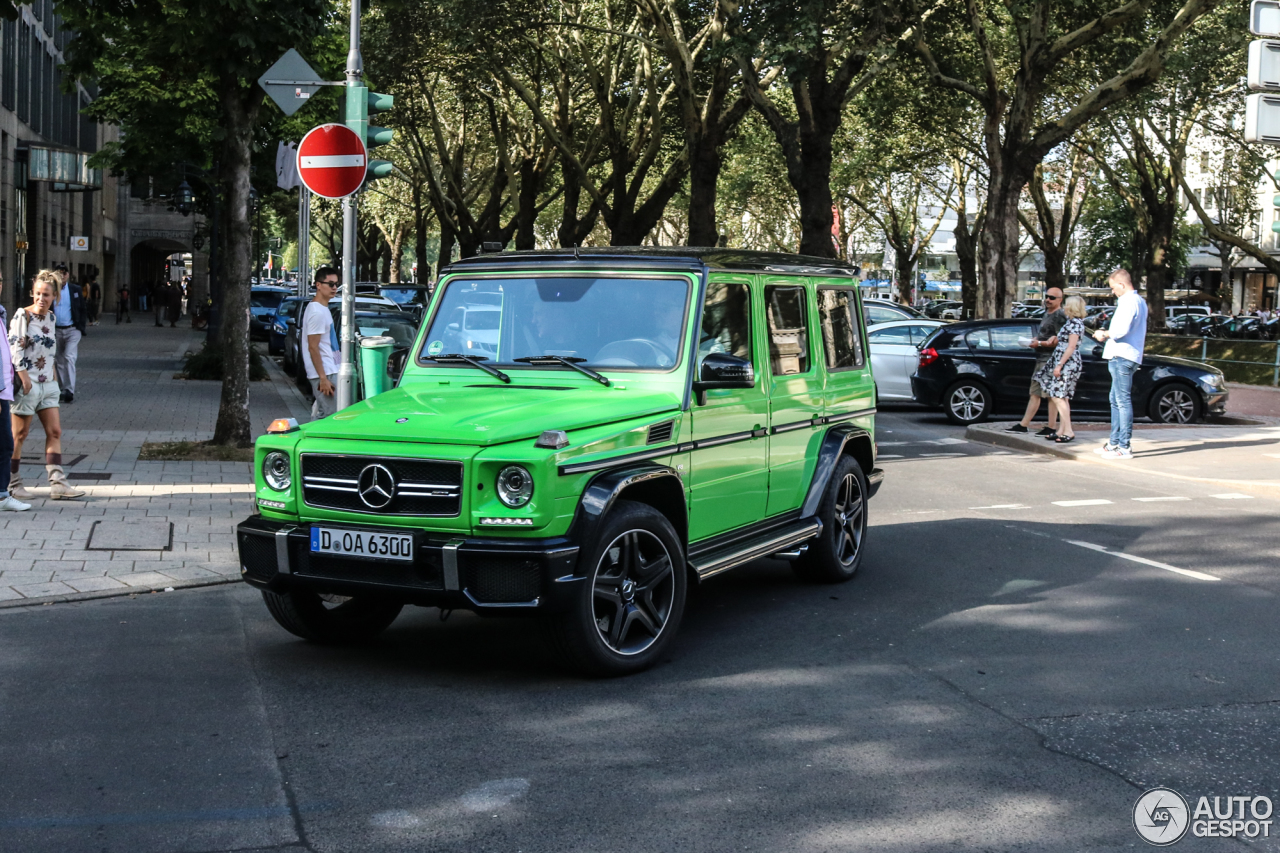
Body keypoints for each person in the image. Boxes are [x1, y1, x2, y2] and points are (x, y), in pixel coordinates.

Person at [8, 270, 86, 500]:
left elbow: (50, 350)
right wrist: (23, 379)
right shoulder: (23, 316)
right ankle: (12, 483)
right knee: (19, 435)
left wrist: (53, 378)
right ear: (32, 293)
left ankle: (58, 483)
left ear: (55, 297)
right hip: (28, 384)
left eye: (47, 295)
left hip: (48, 384)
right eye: (38, 294)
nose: (41, 299)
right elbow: (15, 350)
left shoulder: (51, 318)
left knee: (55, 431)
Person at [1092, 269, 1148, 459]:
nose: (1112, 292)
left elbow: (1120, 330)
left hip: (1121, 355)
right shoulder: (1139, 301)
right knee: (1116, 400)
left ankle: (1124, 446)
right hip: (1128, 355)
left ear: (1122, 285)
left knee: (1121, 401)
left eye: (1113, 287)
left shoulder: (1128, 302)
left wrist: (1103, 333)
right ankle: (1114, 443)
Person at [1006, 286, 1066, 436]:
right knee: (1036, 392)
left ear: (1060, 300)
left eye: (1052, 298)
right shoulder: (1047, 313)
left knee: (1048, 394)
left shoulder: (1059, 316)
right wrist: (1036, 340)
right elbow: (1047, 336)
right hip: (1041, 358)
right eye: (1047, 296)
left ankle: (1049, 426)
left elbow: (1061, 340)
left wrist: (1039, 343)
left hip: (1050, 359)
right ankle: (1026, 424)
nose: (1048, 300)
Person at [1033, 296, 1087, 444]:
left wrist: (1060, 364)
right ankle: (1062, 430)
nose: (1064, 308)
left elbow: (1071, 346)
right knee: (1062, 396)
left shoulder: (1075, 323)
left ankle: (1068, 430)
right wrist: (1054, 338)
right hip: (1065, 361)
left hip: (1067, 363)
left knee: (1057, 396)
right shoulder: (1072, 323)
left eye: (1067, 305)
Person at [0, 271, 31, 511]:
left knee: (5, 443)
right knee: (5, 442)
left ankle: (2, 494)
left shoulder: (0, 314)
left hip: (4, 391)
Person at [302, 266, 340, 420]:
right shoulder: (317, 312)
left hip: (330, 369)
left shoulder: (323, 309)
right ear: (318, 285)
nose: (334, 288)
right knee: (330, 416)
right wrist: (323, 378)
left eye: (336, 284)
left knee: (321, 414)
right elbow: (313, 347)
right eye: (330, 284)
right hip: (325, 372)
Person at [53, 265, 86, 404]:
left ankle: (70, 390)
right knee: (58, 360)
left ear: (68, 275)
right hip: (55, 329)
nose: (62, 276)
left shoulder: (75, 289)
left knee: (69, 357)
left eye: (64, 273)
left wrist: (81, 327)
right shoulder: (50, 289)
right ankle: (62, 389)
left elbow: (82, 308)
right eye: (59, 273)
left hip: (72, 329)